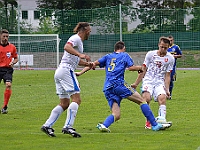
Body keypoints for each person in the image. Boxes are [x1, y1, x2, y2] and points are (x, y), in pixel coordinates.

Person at [77, 41, 172, 132]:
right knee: (142, 101)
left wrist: (81, 72)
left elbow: (92, 64)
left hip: (108, 88)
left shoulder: (108, 56)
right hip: (118, 85)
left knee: (116, 114)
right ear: (124, 48)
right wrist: (140, 68)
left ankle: (104, 125)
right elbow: (131, 68)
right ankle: (155, 125)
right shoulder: (125, 55)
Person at [41, 22, 93, 138]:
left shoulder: (78, 41)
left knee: (64, 103)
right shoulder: (76, 39)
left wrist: (87, 64)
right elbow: (66, 47)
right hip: (66, 71)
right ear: (84, 30)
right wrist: (81, 54)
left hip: (60, 71)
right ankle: (68, 126)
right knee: (77, 99)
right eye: (89, 31)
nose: (90, 33)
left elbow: (75, 60)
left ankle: (47, 125)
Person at [132, 36, 175, 129]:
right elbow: (143, 69)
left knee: (162, 98)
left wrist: (167, 89)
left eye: (165, 48)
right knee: (146, 99)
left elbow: (168, 75)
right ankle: (149, 121)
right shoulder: (150, 54)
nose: (163, 49)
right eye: (162, 47)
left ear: (168, 47)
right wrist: (136, 83)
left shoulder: (170, 58)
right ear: (159, 44)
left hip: (159, 81)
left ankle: (162, 120)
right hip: (148, 80)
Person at [0, 29, 18, 114]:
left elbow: (16, 58)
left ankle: (4, 106)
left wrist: (13, 62)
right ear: (0, 36)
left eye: (7, 36)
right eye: (4, 36)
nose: (5, 38)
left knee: (8, 85)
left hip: (7, 69)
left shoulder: (12, 47)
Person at [167, 35, 182, 100]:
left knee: (170, 80)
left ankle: (169, 94)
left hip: (172, 66)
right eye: (169, 40)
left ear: (173, 40)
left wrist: (175, 56)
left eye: (171, 40)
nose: (170, 41)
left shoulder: (176, 47)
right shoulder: (165, 47)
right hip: (164, 66)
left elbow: (180, 55)